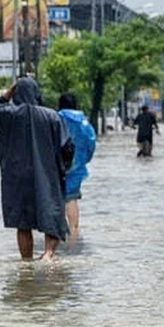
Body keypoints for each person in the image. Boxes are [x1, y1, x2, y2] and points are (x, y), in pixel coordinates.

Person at [0, 78, 74, 261]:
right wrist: (63, 168)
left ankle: (26, 261)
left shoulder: (7, 114)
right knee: (53, 215)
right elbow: (67, 146)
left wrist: (8, 93)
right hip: (47, 174)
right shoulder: (52, 116)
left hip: (16, 177)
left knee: (23, 222)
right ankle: (48, 254)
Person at [57, 93, 97, 235]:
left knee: (54, 197)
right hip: (76, 165)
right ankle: (74, 231)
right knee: (71, 197)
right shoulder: (84, 123)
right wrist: (84, 160)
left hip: (55, 164)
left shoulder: (55, 119)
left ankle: (56, 232)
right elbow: (91, 144)